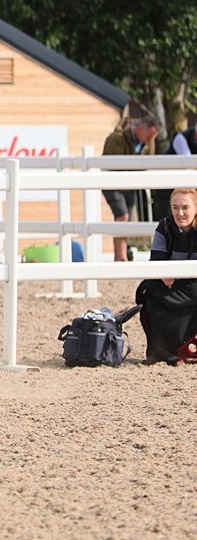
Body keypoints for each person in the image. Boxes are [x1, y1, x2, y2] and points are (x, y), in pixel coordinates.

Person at [135, 187, 197, 364]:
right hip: (172, 282)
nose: (180, 213)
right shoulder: (164, 227)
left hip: (191, 283)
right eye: (175, 207)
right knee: (148, 290)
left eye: (185, 207)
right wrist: (164, 275)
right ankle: (161, 350)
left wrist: (176, 275)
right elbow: (156, 260)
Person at [101, 115, 159, 261]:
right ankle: (120, 257)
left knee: (124, 219)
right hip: (113, 184)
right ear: (140, 129)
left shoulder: (147, 143)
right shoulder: (117, 138)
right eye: (148, 136)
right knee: (123, 216)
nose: (149, 140)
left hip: (130, 185)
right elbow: (111, 165)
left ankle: (120, 255)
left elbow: (147, 163)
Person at [151, 123, 197, 218]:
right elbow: (189, 162)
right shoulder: (181, 138)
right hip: (167, 185)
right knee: (166, 216)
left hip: (184, 186)